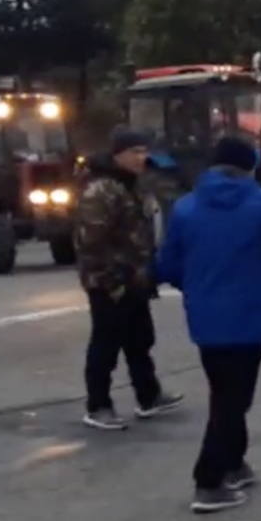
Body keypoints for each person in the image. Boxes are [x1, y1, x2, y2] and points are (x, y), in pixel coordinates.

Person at [155, 134, 261, 514]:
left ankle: (234, 462)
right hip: (248, 315)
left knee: (223, 392)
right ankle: (208, 481)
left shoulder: (185, 207)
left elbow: (167, 266)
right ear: (248, 167)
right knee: (233, 399)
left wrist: (196, 287)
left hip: (205, 317)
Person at [76, 129, 184, 430]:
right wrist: (113, 282)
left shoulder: (133, 186)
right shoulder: (101, 190)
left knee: (140, 340)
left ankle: (148, 396)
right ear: (118, 154)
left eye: (143, 151)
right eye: (135, 151)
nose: (142, 157)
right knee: (105, 343)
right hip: (109, 282)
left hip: (135, 278)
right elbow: (92, 242)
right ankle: (98, 405)